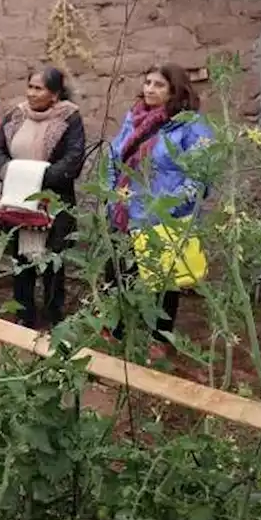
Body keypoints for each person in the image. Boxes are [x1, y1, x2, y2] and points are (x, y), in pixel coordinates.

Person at [106, 63, 213, 354]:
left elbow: (200, 176)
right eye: (148, 82)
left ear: (175, 91)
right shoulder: (134, 118)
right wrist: (111, 195)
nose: (150, 89)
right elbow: (114, 157)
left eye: (159, 85)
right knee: (119, 275)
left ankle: (160, 340)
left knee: (163, 282)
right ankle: (118, 332)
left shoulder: (190, 126)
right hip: (126, 213)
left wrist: (168, 206)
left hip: (164, 217)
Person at [0, 66, 86, 329]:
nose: (31, 93)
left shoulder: (69, 119)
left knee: (54, 262)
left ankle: (54, 316)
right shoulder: (15, 116)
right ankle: (24, 313)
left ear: (54, 94)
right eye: (30, 86)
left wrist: (36, 178)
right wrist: (10, 171)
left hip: (54, 203)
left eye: (38, 88)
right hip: (17, 201)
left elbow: (73, 160)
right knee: (22, 261)